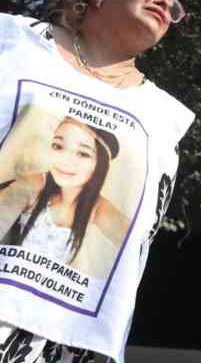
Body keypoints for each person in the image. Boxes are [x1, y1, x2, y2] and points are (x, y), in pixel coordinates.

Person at [0, 0, 194, 363]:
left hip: (64, 336)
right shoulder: (15, 42)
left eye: (171, 3)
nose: (162, 1)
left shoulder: (163, 116)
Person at [0, 115, 130, 273]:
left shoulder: (97, 207)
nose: (64, 160)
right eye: (58, 146)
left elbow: (133, 242)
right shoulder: (35, 183)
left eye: (83, 154)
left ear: (100, 165)